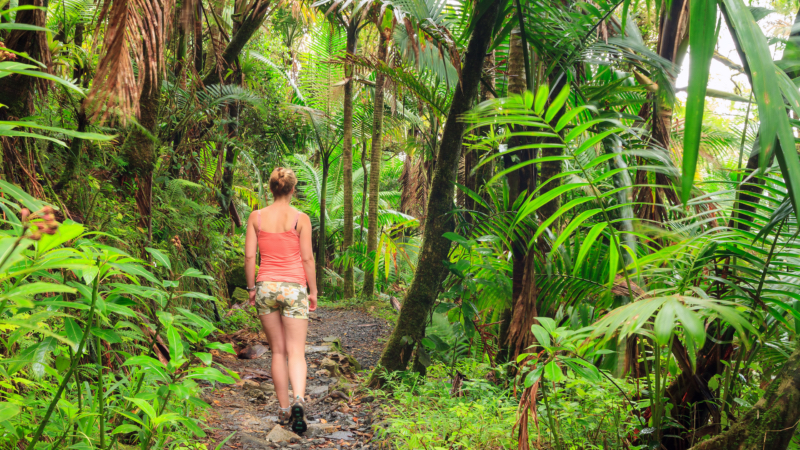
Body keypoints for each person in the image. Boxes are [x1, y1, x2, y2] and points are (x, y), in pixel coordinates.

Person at [245, 167, 317, 434]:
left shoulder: (256, 217)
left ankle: (284, 409)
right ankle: (298, 399)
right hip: (294, 288)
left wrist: (251, 288)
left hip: (266, 286)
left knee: (278, 351)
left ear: (271, 188)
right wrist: (313, 291)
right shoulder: (301, 218)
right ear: (292, 189)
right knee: (296, 351)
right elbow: (307, 258)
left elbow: (249, 257)